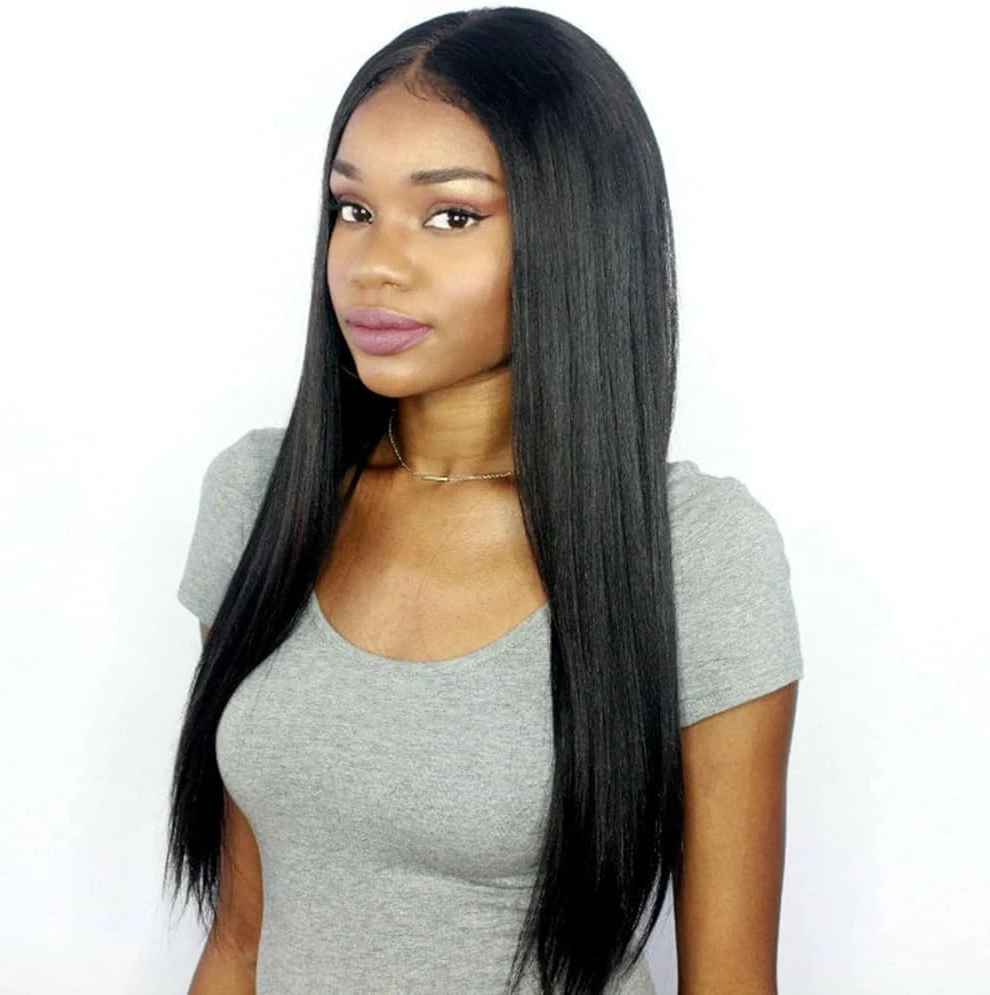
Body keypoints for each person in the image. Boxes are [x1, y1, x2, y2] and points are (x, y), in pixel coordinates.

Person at [165, 7, 804, 994]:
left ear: (573, 231)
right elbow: (241, 940)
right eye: (353, 209)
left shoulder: (694, 551)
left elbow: (728, 981)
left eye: (451, 216)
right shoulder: (260, 499)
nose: (374, 264)